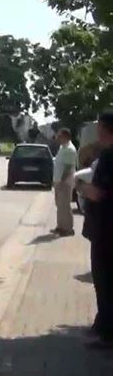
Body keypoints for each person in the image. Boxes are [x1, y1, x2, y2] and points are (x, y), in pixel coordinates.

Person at [78, 110, 113, 348]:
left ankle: (107, 334)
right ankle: (103, 326)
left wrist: (80, 186)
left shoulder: (110, 157)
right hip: (105, 230)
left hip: (106, 231)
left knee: (105, 281)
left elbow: (100, 193)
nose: (97, 132)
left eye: (100, 128)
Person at [52, 128, 77, 236]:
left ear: (66, 136)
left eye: (60, 136)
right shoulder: (63, 147)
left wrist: (61, 180)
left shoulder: (70, 149)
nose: (58, 138)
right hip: (58, 180)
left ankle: (68, 229)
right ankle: (60, 226)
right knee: (59, 204)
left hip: (65, 182)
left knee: (65, 205)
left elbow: (68, 167)